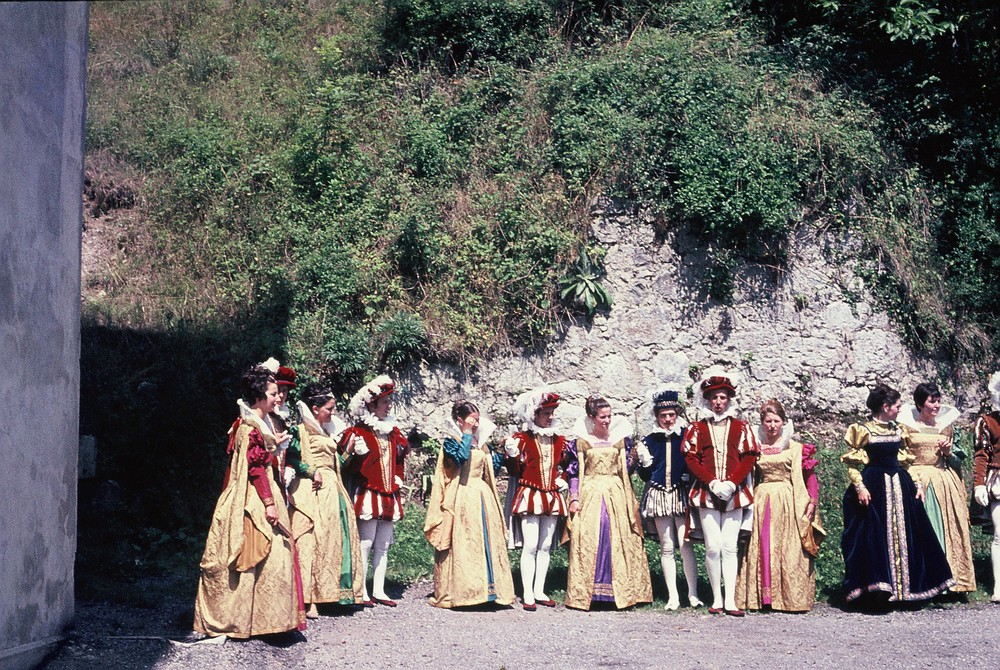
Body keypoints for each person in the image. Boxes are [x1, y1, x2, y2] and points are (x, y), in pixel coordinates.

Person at [194, 366, 305, 638]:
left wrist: (273, 447)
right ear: (258, 396)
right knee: (267, 549)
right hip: (253, 496)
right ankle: (252, 620)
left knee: (272, 553)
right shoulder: (251, 426)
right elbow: (255, 468)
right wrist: (268, 502)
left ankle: (263, 619)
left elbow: (259, 459)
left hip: (257, 489)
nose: (277, 397)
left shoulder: (258, 422)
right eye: (272, 393)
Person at [841, 383, 955, 605]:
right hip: (875, 488)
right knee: (875, 536)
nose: (900, 409)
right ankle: (878, 591)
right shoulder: (863, 430)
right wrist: (860, 487)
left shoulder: (898, 430)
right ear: (885, 407)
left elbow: (904, 461)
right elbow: (852, 464)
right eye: (897, 405)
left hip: (900, 486)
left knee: (911, 536)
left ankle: (907, 590)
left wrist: (917, 484)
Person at [682, 366, 759, 616]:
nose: (718, 402)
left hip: (734, 493)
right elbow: (691, 459)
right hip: (706, 493)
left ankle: (731, 600)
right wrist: (712, 482)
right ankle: (716, 598)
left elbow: (749, 457)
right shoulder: (697, 428)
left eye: (723, 397)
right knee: (713, 546)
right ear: (707, 399)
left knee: (729, 546)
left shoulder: (741, 427)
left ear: (729, 399)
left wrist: (732, 483)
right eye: (714, 397)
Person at [564, 395, 653, 610]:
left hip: (617, 492)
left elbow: (626, 470)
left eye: (609, 416)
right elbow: (574, 472)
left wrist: (636, 457)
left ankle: (621, 591)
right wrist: (574, 498)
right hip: (591, 492)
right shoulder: (580, 441)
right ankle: (590, 592)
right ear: (591, 417)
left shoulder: (620, 439)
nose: (607, 420)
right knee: (593, 534)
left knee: (620, 536)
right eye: (603, 417)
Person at [424, 401, 515, 608]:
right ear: (459, 420)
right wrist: (465, 434)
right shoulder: (452, 441)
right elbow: (460, 459)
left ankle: (488, 591)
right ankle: (464, 591)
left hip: (482, 496)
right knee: (464, 542)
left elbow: (491, 468)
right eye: (471, 419)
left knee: (484, 541)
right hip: (462, 496)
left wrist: (501, 452)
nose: (475, 423)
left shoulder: (480, 443)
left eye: (477, 419)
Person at [735, 399, 824, 612]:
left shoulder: (796, 448)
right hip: (762, 499)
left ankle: (789, 598)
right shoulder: (755, 448)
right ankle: (763, 598)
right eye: (768, 421)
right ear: (762, 423)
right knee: (763, 544)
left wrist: (812, 502)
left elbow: (809, 477)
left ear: (783, 422)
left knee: (788, 548)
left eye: (776, 421)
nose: (772, 425)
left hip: (788, 500)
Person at [287, 383, 365, 618]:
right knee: (315, 541)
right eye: (329, 408)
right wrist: (311, 471)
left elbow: (335, 466)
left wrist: (347, 452)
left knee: (333, 541)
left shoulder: (325, 432)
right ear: (315, 407)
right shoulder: (300, 430)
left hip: (334, 490)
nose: (332, 413)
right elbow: (292, 457)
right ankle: (312, 599)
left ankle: (333, 595)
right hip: (316, 491)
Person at [339, 374, 410, 607]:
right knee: (365, 542)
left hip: (389, 492)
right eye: (385, 402)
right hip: (369, 492)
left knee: (384, 544)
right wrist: (351, 453)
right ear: (372, 405)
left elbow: (399, 458)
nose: (389, 405)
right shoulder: (357, 433)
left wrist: (398, 474)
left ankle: (379, 589)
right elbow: (343, 463)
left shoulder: (392, 432)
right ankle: (361, 590)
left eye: (389, 401)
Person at [898, 383, 976, 593]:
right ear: (920, 404)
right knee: (925, 528)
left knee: (948, 528)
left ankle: (950, 583)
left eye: (938, 400)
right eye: (932, 401)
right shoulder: (906, 427)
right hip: (917, 478)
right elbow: (901, 457)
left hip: (944, 481)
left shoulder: (946, 427)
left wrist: (949, 453)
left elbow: (958, 463)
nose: (937, 405)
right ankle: (925, 582)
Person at [635, 388, 702, 610]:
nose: (667, 420)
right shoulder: (650, 440)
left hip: (680, 493)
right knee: (666, 545)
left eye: (671, 415)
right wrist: (643, 463)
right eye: (663, 416)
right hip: (659, 493)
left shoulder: (686, 436)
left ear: (677, 415)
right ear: (657, 417)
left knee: (685, 544)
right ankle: (673, 596)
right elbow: (645, 476)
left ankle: (692, 593)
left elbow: (694, 465)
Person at [504, 387, 570, 611]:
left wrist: (563, 478)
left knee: (545, 545)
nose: (550, 417)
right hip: (531, 494)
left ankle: (540, 590)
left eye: (552, 413)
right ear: (535, 415)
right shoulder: (522, 439)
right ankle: (528, 593)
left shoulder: (559, 440)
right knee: (530, 545)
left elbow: (567, 465)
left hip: (551, 494)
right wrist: (511, 455)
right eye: (546, 413)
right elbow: (514, 470)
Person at [973, 371, 1000, 603]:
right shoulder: (987, 421)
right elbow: (981, 455)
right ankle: (999, 587)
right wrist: (979, 484)